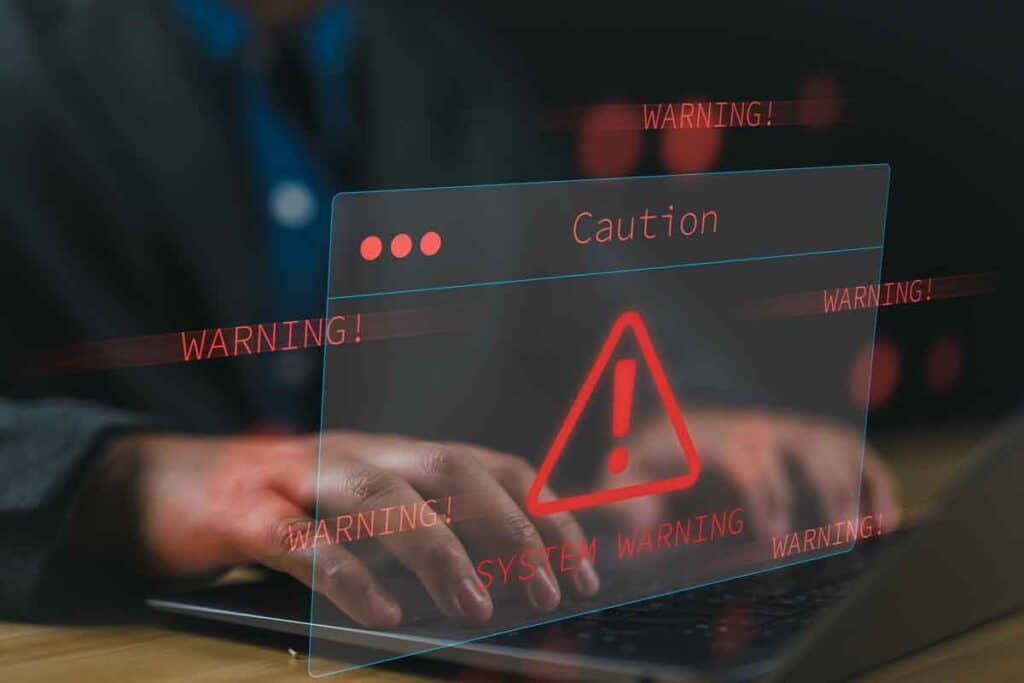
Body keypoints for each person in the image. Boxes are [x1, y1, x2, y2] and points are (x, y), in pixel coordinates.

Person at [0, 0, 897, 627]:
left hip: (426, 623)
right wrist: (121, 477)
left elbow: (587, 279)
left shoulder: (440, 58)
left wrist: (685, 406)